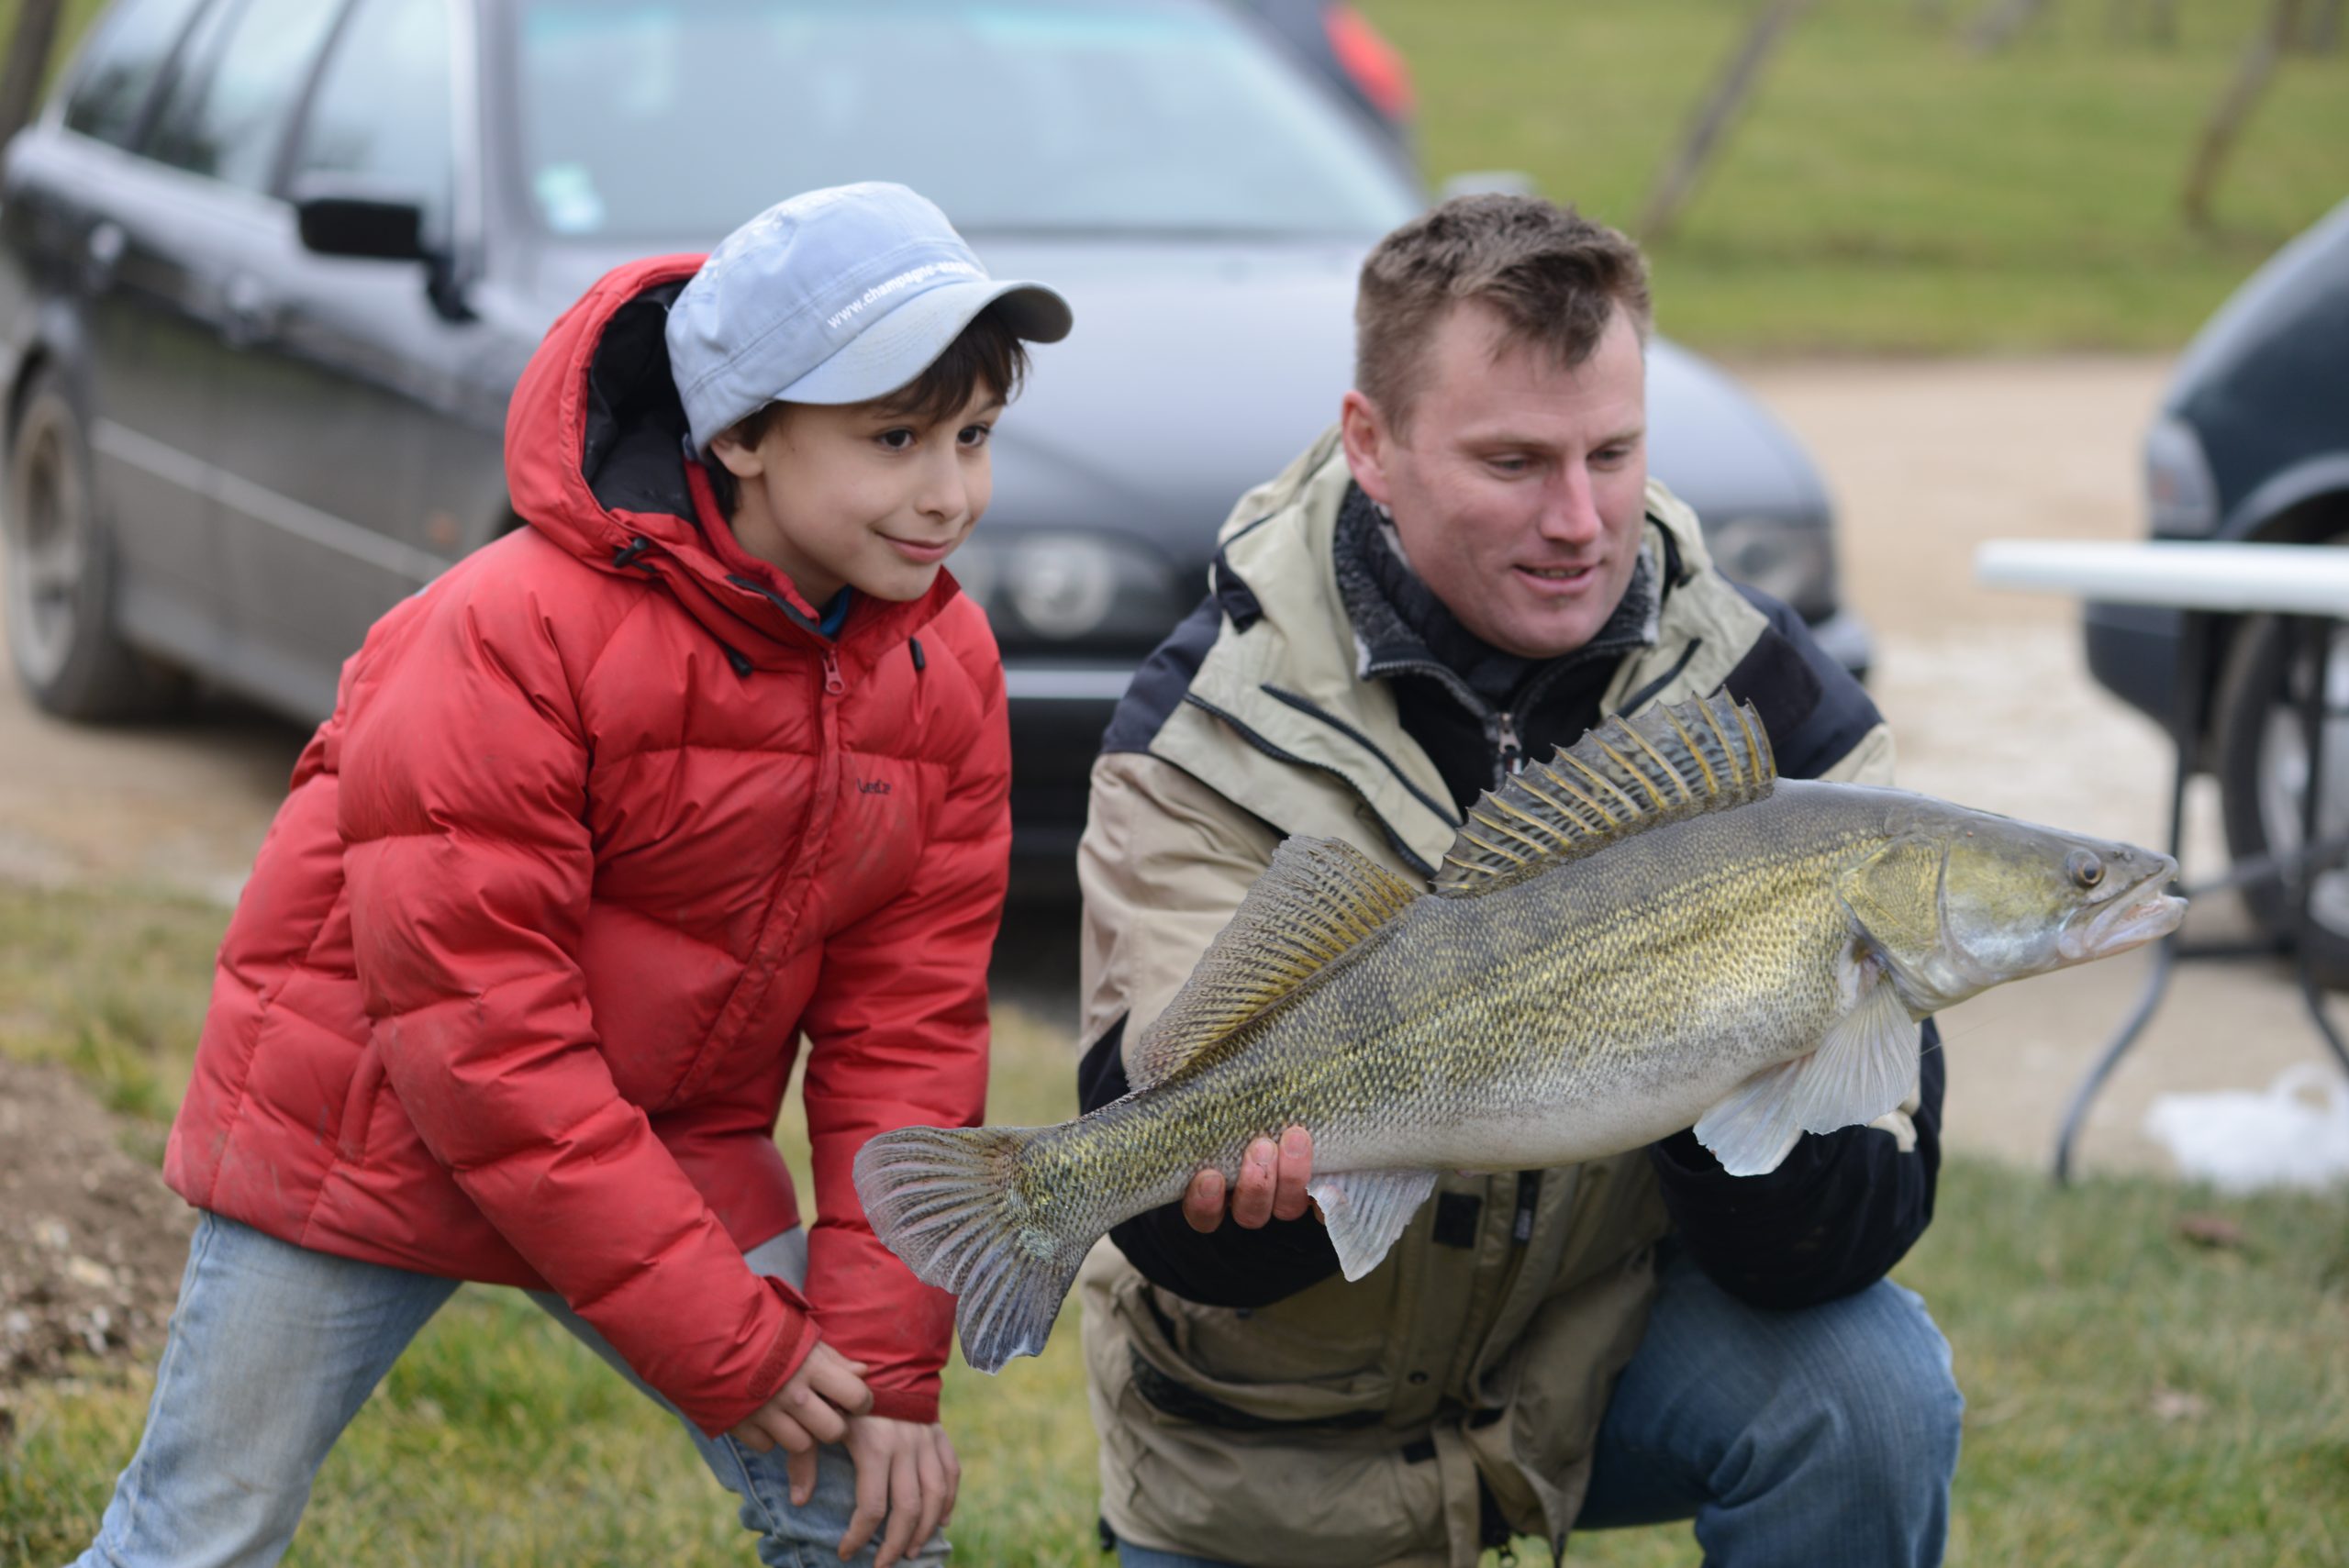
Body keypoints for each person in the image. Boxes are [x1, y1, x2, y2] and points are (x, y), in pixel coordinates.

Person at [69, 183, 1071, 1568]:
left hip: (660, 1143)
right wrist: (730, 1347)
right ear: (742, 435)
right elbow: (484, 1042)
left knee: (867, 1512)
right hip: (369, 1130)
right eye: (895, 438)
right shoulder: (507, 631)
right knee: (199, 1532)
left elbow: (907, 1032)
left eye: (973, 436)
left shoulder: (937, 669)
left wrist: (887, 1364)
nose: (949, 490)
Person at [1072, 195, 1962, 1568]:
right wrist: (1259, 1188)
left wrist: (1710, 1046)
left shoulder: (1768, 700)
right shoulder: (1210, 724)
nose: (1579, 520)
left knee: (1872, 1386)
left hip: (1584, 1356)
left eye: (1614, 452)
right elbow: (1158, 1186)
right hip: (1270, 1439)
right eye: (1512, 461)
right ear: (1372, 443)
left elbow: (1851, 1230)